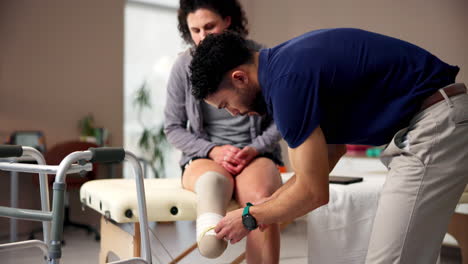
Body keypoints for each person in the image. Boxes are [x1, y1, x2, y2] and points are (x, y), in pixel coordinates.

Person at [189, 28, 468, 264]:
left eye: (226, 104)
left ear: (240, 77)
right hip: (437, 120)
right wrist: (264, 207)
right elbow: (331, 155)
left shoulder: (286, 87)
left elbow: (313, 192)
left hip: (435, 124)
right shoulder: (287, 66)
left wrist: (250, 217)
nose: (233, 113)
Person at [164, 0, 283, 263]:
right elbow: (172, 127)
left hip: (256, 154)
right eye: (195, 30)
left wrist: (255, 148)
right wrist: (213, 151)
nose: (202, 36)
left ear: (228, 21)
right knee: (212, 182)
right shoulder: (183, 66)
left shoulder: (258, 59)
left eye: (209, 26)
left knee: (261, 202)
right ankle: (209, 230)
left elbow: (282, 120)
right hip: (206, 157)